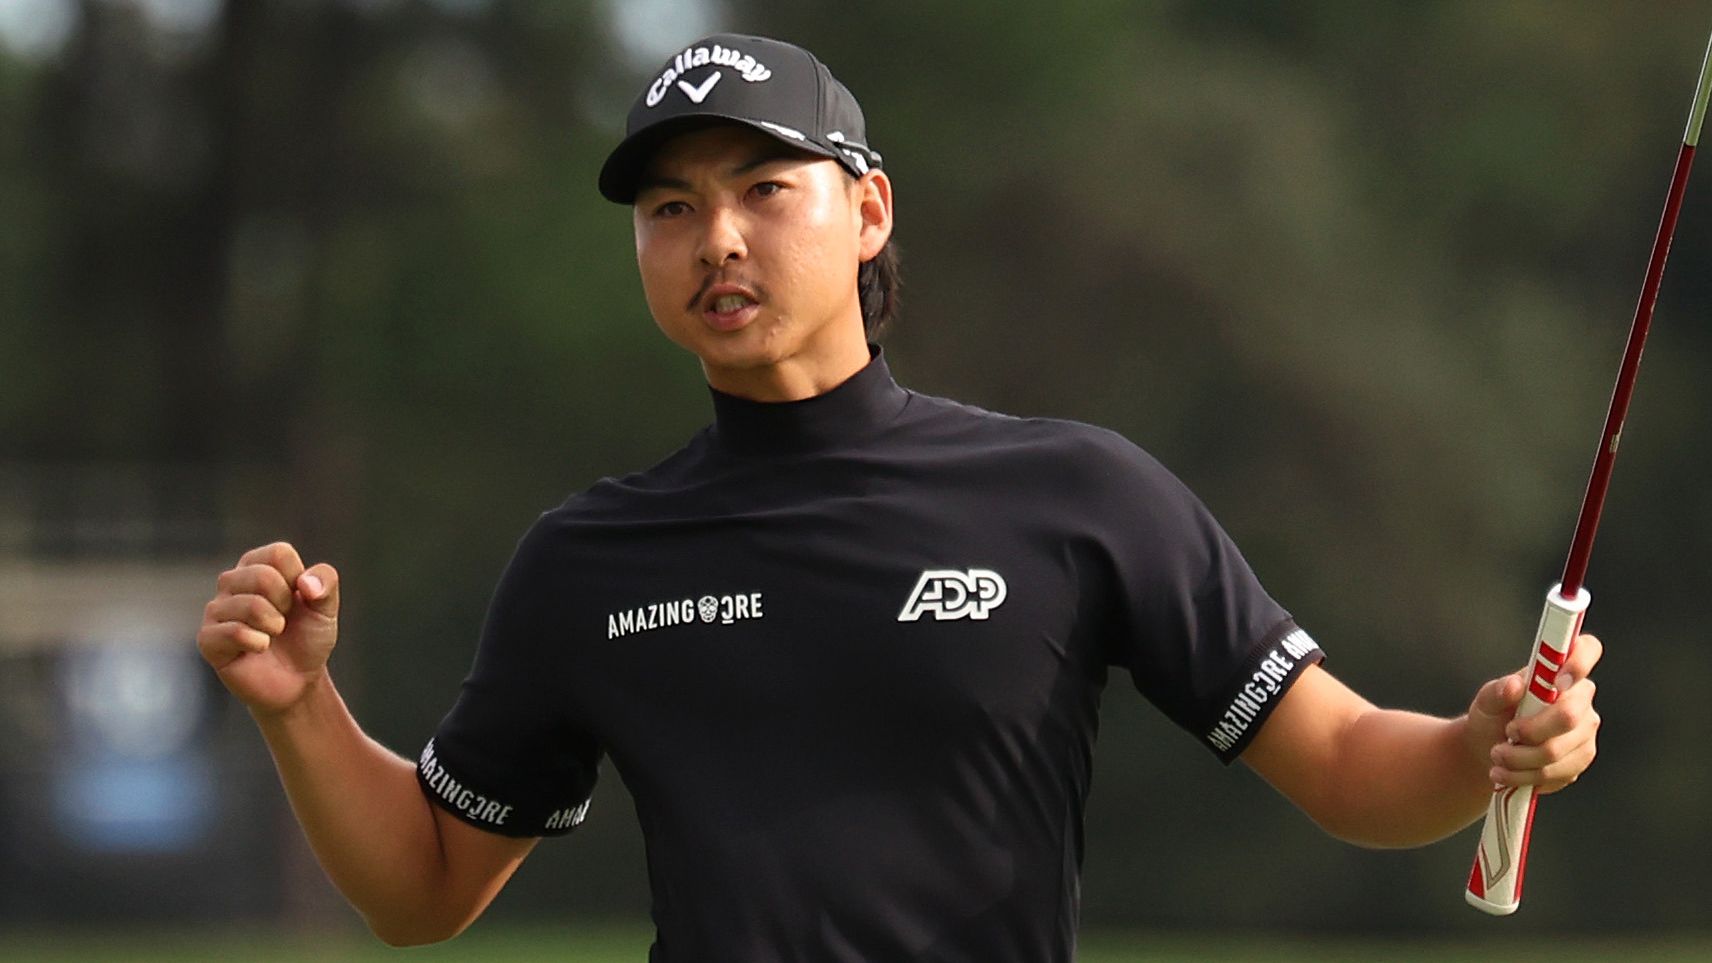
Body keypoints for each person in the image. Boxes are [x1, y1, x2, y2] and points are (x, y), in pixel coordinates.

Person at [195, 33, 1602, 962]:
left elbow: (1350, 764)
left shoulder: (1074, 495)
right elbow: (424, 887)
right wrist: (298, 706)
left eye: (763, 187)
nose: (716, 238)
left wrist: (1479, 745)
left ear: (867, 211)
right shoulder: (589, 560)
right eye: (669, 209)